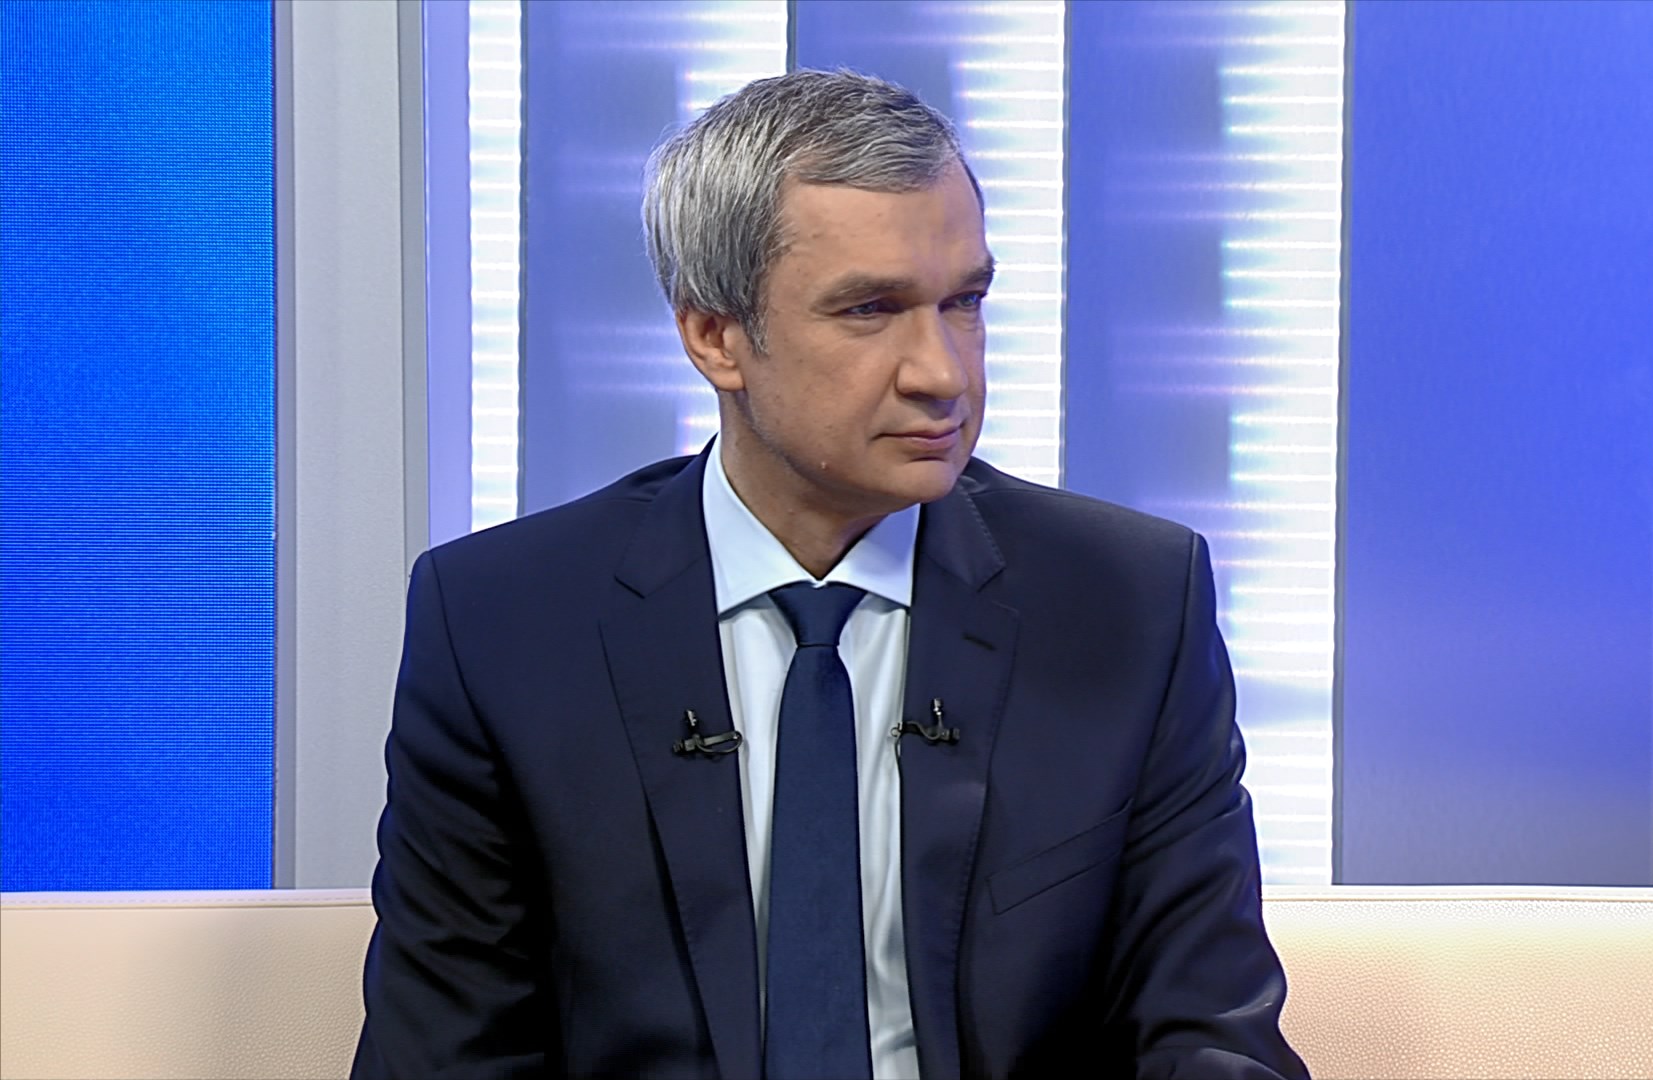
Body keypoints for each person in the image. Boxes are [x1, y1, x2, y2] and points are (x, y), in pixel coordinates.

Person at [353, 69, 1310, 1080]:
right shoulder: (502, 626)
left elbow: (1208, 1035)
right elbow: (445, 1059)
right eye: (870, 310)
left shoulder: (1129, 604)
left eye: (965, 302)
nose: (943, 372)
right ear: (715, 336)